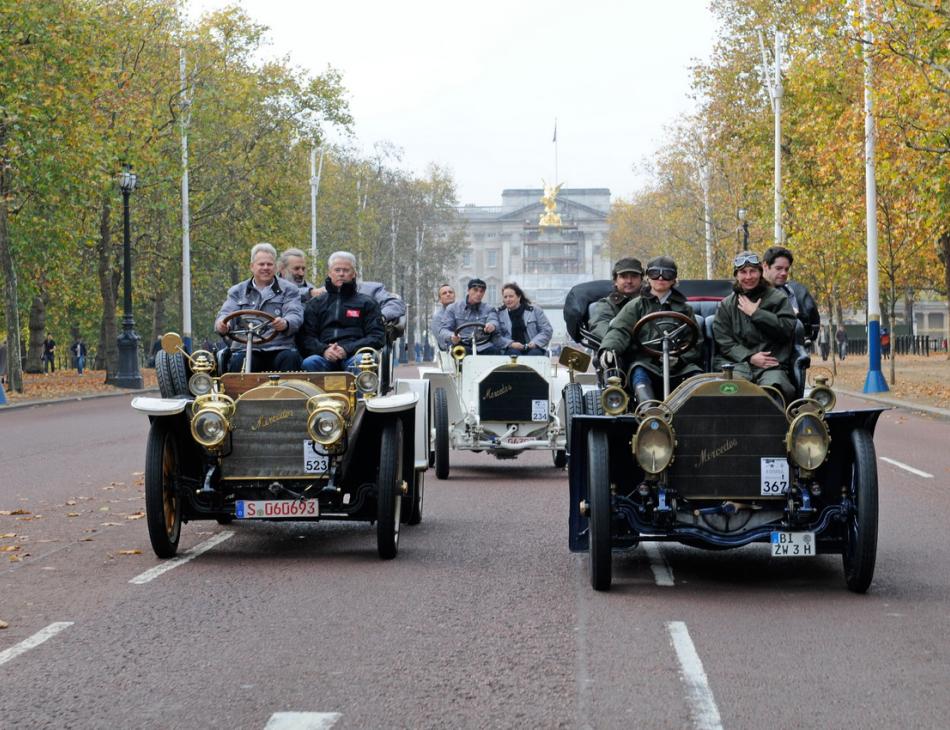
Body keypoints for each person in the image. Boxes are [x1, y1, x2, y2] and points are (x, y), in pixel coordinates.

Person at [599, 256, 704, 403]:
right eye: (655, 274)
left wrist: (680, 359)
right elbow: (620, 330)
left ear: (674, 280)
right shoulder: (636, 306)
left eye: (667, 274)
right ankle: (648, 410)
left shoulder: (684, 309)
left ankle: (692, 413)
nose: (660, 278)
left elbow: (695, 342)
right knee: (638, 372)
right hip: (646, 363)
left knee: (697, 378)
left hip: (679, 366)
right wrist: (609, 348)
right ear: (648, 278)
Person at [713, 250, 797, 404]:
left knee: (774, 391)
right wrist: (750, 357)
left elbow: (787, 329)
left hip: (771, 366)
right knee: (732, 391)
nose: (748, 277)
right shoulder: (727, 305)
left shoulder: (778, 299)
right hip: (738, 366)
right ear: (736, 275)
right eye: (743, 272)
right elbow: (724, 341)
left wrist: (756, 313)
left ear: (760, 272)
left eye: (753, 271)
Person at [214, 242, 303, 372]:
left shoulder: (290, 290)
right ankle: (239, 392)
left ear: (276, 267)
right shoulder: (237, 291)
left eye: (269, 264)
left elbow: (295, 315)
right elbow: (225, 314)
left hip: (279, 347)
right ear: (252, 266)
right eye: (261, 264)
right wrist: (222, 325)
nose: (265, 268)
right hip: (245, 347)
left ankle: (288, 392)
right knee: (239, 361)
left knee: (291, 358)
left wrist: (285, 323)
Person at [298, 251, 385, 372]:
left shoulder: (367, 303)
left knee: (360, 362)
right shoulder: (315, 303)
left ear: (354, 274)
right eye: (337, 270)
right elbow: (306, 337)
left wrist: (346, 349)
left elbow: (377, 337)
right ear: (329, 273)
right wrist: (324, 350)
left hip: (354, 355)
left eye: (346, 270)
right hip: (324, 356)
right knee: (309, 362)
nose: (341, 274)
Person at [762, 246, 820, 342]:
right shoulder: (749, 292)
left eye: (786, 269)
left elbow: (810, 331)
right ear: (765, 266)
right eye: (778, 268)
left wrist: (799, 317)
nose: (784, 273)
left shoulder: (794, 294)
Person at [439, 278, 501, 354]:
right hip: (461, 344)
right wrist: (452, 336)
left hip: (483, 345)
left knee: (495, 352)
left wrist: (492, 325)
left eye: (481, 291)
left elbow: (493, 320)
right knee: (459, 352)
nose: (478, 294)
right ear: (468, 290)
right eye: (475, 290)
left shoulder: (489, 308)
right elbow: (443, 330)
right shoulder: (453, 308)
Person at [589, 257, 644, 342]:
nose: (629, 281)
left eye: (634, 276)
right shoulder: (607, 305)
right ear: (615, 280)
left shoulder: (651, 301)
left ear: (641, 279)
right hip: (620, 351)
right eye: (624, 277)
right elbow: (601, 328)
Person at [495, 282, 554, 356]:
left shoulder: (535, 310)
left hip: (533, 347)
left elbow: (547, 330)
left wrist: (534, 343)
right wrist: (511, 344)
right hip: (510, 348)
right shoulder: (499, 313)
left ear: (519, 297)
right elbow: (496, 336)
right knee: (513, 355)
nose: (508, 299)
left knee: (534, 355)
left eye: (511, 296)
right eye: (505, 297)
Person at [432, 284, 456, 351]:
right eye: (444, 293)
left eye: (450, 292)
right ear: (440, 300)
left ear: (454, 296)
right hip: (450, 352)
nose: (448, 294)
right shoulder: (437, 317)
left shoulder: (462, 312)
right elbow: (442, 342)